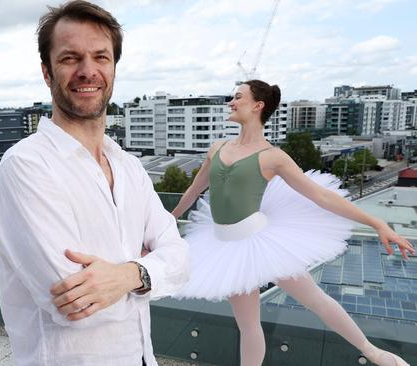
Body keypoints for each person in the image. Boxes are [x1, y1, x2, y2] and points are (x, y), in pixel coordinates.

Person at [0, 1, 189, 365]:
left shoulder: (129, 166)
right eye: (70, 58)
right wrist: (147, 274)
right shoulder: (26, 166)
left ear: (113, 68)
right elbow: (72, 305)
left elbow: (181, 259)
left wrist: (128, 274)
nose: (88, 71)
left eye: (101, 57)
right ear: (47, 73)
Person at [172, 80, 415, 366]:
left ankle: (371, 350)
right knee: (248, 325)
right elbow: (193, 191)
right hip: (223, 245)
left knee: (315, 300)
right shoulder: (217, 148)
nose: (231, 102)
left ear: (257, 105)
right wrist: (169, 220)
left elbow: (322, 196)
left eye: (237, 97)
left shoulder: (273, 157)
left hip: (260, 241)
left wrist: (377, 223)